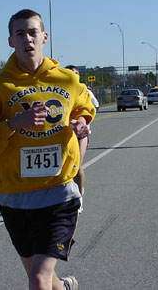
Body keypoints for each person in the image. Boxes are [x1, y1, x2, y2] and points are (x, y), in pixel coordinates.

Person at [0, 9, 95, 290]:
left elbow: (84, 103)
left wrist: (82, 120)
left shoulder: (67, 80)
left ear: (44, 37)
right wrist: (13, 124)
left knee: (37, 279)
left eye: (33, 32)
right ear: (11, 41)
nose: (27, 39)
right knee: (43, 278)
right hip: (15, 199)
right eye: (20, 33)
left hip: (59, 193)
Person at [65, 65, 99, 213]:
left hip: (80, 135)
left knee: (76, 166)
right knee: (63, 168)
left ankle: (79, 198)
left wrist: (82, 121)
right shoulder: (61, 90)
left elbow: (95, 107)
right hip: (64, 135)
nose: (74, 75)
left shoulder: (86, 91)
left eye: (76, 73)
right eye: (70, 73)